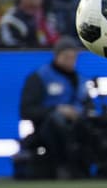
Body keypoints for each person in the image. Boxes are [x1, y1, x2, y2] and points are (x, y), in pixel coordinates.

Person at [18, 37, 91, 179]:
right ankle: (63, 165)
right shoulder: (40, 77)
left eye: (73, 57)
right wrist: (57, 110)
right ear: (57, 56)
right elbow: (26, 110)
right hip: (47, 129)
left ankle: (97, 167)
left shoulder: (82, 80)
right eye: (67, 56)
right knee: (57, 121)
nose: (71, 60)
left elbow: (87, 105)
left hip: (78, 125)